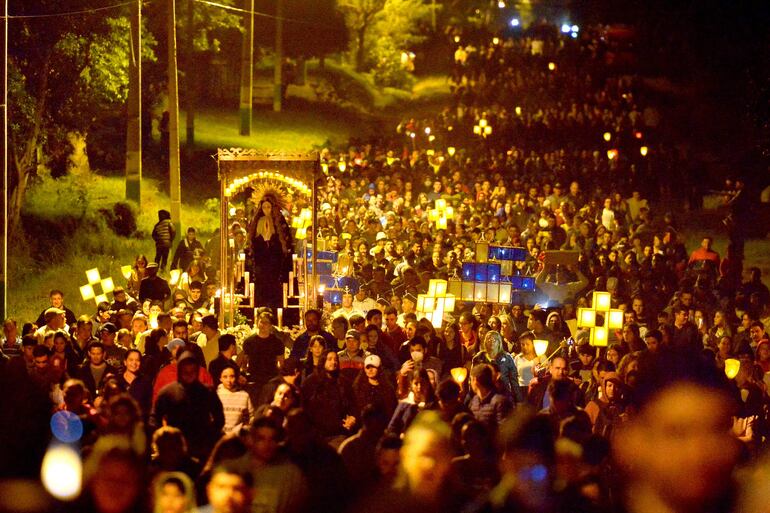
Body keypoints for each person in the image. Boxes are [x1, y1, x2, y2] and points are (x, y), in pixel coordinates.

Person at [152, 351, 225, 461]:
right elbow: (155, 417)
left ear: (197, 371)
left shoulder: (207, 392)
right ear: (180, 371)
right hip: (175, 448)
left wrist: (209, 435)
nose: (189, 374)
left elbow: (219, 417)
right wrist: (165, 437)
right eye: (185, 371)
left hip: (201, 448)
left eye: (192, 371)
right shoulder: (168, 393)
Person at [301, 349, 357, 444]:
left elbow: (353, 405)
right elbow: (303, 407)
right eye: (329, 359)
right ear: (323, 361)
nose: (333, 362)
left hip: (338, 434)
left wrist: (353, 418)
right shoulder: (310, 382)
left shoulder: (344, 382)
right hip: (316, 435)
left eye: (335, 359)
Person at [248, 190, 293, 308]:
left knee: (274, 284)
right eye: (264, 207)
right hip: (261, 260)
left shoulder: (280, 222)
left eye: (269, 207)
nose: (266, 210)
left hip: (275, 261)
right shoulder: (257, 221)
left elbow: (285, 241)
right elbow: (252, 242)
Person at [472, 330, 522, 403]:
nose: (492, 341)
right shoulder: (479, 358)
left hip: (503, 395)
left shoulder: (507, 358)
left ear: (499, 343)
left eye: (495, 339)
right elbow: (472, 378)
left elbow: (514, 381)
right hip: (484, 396)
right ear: (485, 342)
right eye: (489, 338)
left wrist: (518, 400)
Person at [241, 312, 284, 389]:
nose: (263, 324)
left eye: (266, 322)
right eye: (261, 321)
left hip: (271, 379)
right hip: (253, 378)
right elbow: (244, 362)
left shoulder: (277, 342)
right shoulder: (249, 342)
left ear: (271, 325)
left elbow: (281, 363)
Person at [388, 368, 437, 436]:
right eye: (416, 383)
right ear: (411, 384)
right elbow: (392, 428)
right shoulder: (405, 404)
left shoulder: (434, 405)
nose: (419, 387)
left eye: (422, 383)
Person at [468, 363, 513, 433]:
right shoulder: (474, 401)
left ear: (475, 380)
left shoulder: (499, 402)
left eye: (471, 379)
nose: (470, 383)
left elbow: (504, 430)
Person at [216, 365, 254, 434]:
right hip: (219, 437)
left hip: (237, 438)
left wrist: (244, 429)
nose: (229, 380)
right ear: (220, 378)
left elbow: (250, 417)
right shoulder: (215, 396)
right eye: (225, 377)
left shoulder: (244, 396)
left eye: (232, 376)